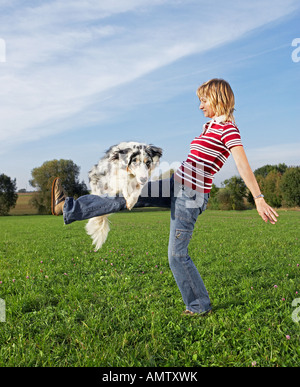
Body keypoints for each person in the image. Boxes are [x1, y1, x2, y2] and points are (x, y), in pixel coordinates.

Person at [52, 78, 278, 316]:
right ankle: (66, 207)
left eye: (203, 100)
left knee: (177, 255)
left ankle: (199, 305)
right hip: (175, 183)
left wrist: (258, 197)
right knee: (124, 196)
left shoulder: (228, 130)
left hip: (191, 195)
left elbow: (242, 164)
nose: (200, 106)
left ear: (217, 98)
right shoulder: (210, 127)